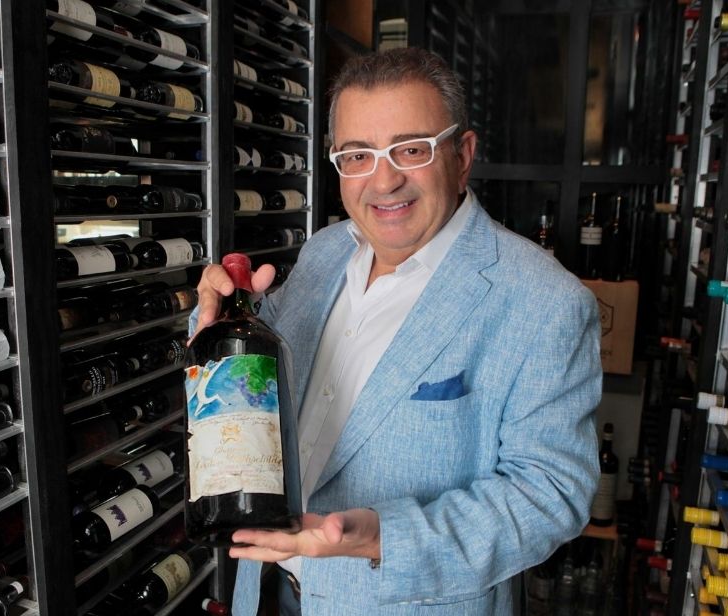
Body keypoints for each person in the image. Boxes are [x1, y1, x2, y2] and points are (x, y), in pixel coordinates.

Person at [191, 47, 602, 616]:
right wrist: (218, 319)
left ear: (462, 155)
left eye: (411, 149)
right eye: (358, 155)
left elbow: (551, 496)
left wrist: (383, 538)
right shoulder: (323, 253)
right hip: (264, 590)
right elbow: (255, 370)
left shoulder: (545, 301)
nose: (384, 181)